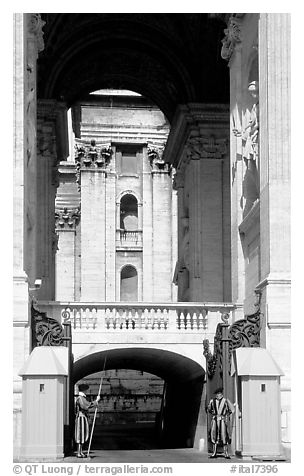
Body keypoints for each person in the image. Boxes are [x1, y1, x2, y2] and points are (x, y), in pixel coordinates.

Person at [74, 383, 100, 458]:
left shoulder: (82, 398)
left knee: (83, 434)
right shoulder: (81, 398)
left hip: (83, 417)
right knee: (80, 434)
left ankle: (81, 451)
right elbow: (86, 406)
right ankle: (79, 452)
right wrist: (96, 401)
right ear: (84, 390)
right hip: (81, 418)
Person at [207, 387, 234, 459]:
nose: (217, 395)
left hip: (222, 420)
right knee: (214, 435)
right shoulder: (212, 401)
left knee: (224, 435)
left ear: (221, 394)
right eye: (217, 394)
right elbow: (209, 409)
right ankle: (214, 452)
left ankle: (226, 453)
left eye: (218, 394)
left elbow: (230, 410)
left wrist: (226, 416)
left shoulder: (225, 401)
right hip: (215, 419)